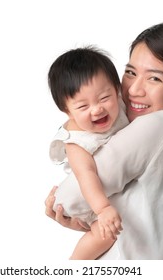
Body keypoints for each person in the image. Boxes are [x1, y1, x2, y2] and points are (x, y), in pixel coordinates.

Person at [45, 21, 163, 259]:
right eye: (130, 73)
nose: (134, 89)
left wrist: (68, 209)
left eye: (154, 79)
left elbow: (68, 199)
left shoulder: (158, 126)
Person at [48, 46, 129, 259]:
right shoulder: (76, 141)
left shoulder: (121, 106)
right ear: (67, 111)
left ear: (117, 89)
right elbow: (86, 175)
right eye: (83, 106)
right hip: (91, 196)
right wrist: (102, 210)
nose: (97, 109)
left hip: (117, 182)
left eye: (104, 98)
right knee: (104, 235)